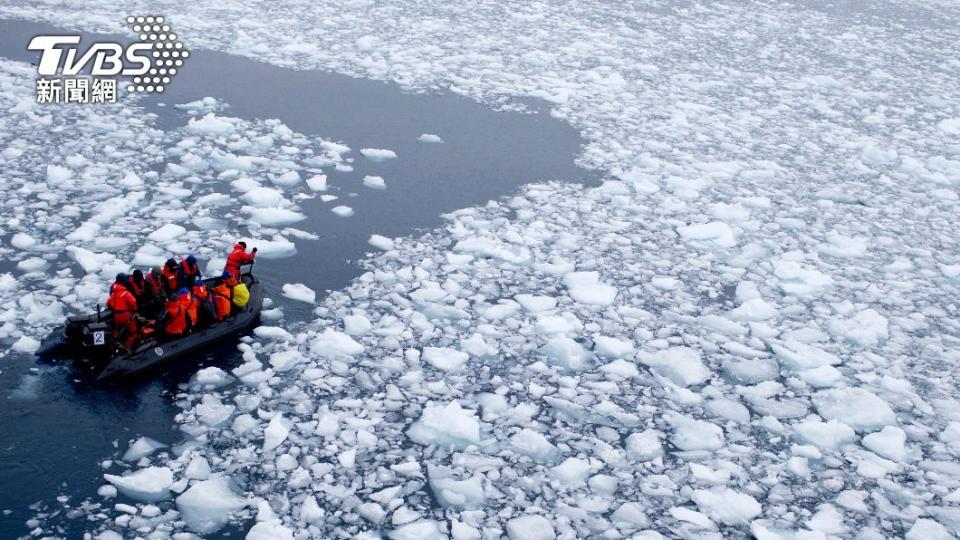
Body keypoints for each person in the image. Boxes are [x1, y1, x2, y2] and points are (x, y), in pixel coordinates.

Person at [106, 273, 139, 350]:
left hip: (116, 316)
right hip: (126, 316)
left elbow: (108, 303)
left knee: (117, 330)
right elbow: (133, 302)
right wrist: (134, 310)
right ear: (124, 283)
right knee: (133, 332)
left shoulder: (113, 293)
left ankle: (114, 344)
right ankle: (127, 348)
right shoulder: (126, 293)